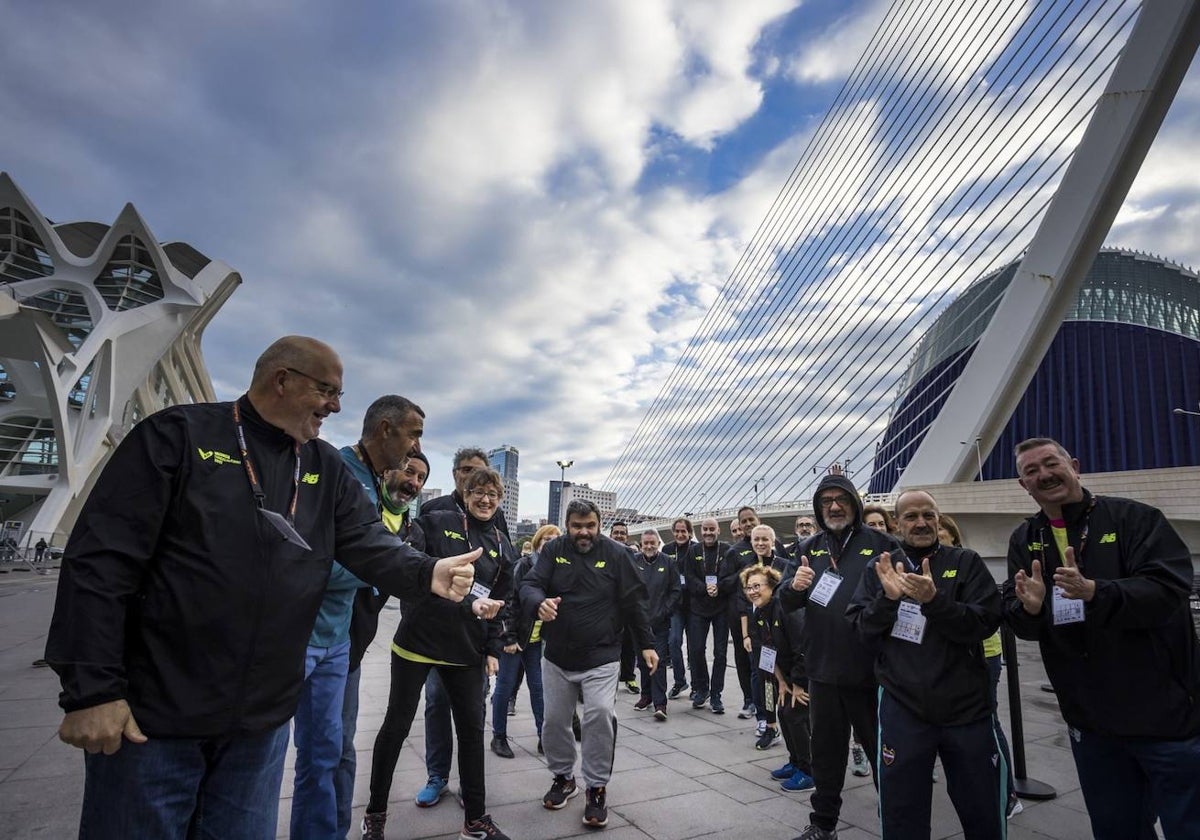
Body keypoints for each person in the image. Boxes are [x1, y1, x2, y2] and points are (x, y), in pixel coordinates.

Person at [44, 336, 478, 840]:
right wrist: (91, 691)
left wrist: (427, 572)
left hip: (259, 726)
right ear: (281, 379)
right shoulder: (177, 435)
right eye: (327, 390)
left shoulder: (324, 466)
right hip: (156, 720)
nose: (337, 406)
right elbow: (100, 564)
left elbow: (366, 541)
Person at [1003, 437, 1200, 840]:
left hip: (1167, 719)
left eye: (1050, 463)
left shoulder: (1135, 519)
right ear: (1023, 486)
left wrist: (1096, 592)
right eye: (1031, 471)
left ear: (1074, 465)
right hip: (1091, 726)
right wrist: (1030, 609)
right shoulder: (1025, 540)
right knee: (1116, 830)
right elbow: (1020, 621)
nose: (1044, 475)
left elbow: (1169, 588)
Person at [292, 394, 426, 840]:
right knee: (306, 756)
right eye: (413, 435)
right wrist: (394, 567)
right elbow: (318, 560)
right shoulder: (335, 470)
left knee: (335, 752)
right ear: (385, 429)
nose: (415, 449)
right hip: (297, 639)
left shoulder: (373, 480)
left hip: (340, 643)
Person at [363, 467, 513, 840]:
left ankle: (475, 821)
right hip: (417, 643)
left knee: (472, 734)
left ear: (501, 499)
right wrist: (467, 605)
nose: (486, 499)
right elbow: (410, 574)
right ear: (464, 491)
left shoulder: (502, 543)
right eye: (478, 491)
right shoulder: (435, 520)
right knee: (395, 728)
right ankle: (375, 817)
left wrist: (493, 646)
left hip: (465, 650)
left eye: (493, 494)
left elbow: (500, 601)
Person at [848, 490, 1004, 840]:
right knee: (902, 812)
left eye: (928, 515)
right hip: (904, 708)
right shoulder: (881, 569)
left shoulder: (966, 562)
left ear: (938, 518)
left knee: (982, 810)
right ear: (897, 523)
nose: (921, 523)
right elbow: (860, 630)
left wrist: (934, 600)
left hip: (966, 710)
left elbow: (984, 622)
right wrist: (888, 600)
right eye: (911, 516)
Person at [781, 472, 904, 840]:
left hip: (872, 672)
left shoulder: (883, 544)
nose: (834, 506)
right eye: (826, 501)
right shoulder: (808, 548)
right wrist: (793, 586)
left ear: (854, 502)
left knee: (884, 754)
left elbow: (903, 601)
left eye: (841, 499)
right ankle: (823, 824)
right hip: (823, 670)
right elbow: (786, 602)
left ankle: (898, 822)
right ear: (819, 508)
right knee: (827, 753)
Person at [521, 499, 656, 830]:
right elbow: (530, 584)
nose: (584, 532)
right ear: (567, 525)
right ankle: (563, 777)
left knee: (597, 715)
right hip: (558, 655)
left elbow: (635, 602)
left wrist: (648, 645)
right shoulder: (553, 550)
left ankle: (596, 787)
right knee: (553, 721)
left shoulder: (617, 554)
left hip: (602, 655)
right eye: (577, 526)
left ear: (600, 525)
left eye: (590, 526)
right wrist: (539, 603)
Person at [336, 453, 429, 838]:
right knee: (322, 748)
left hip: (353, 643)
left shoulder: (411, 527)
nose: (414, 483)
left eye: (422, 478)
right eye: (409, 472)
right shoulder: (361, 503)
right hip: (320, 633)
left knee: (338, 747)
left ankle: (338, 825)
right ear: (387, 469)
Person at [410, 446, 496, 809]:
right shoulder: (433, 511)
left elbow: (500, 572)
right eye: (463, 470)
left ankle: (469, 782)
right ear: (454, 474)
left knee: (473, 710)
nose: (468, 476)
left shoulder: (493, 516)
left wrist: (494, 638)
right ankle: (437, 775)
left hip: (473, 633)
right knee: (435, 702)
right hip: (434, 630)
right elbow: (414, 564)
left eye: (476, 471)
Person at [491, 524, 559, 758]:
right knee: (504, 687)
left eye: (555, 539)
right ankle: (498, 736)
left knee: (538, 688)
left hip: (536, 639)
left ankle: (543, 736)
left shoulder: (556, 568)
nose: (550, 542)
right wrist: (508, 636)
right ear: (539, 542)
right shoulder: (525, 565)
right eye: (546, 539)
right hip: (516, 637)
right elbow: (509, 600)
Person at [683, 518, 735, 713]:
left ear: (718, 530)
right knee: (696, 650)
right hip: (698, 608)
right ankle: (702, 688)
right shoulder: (694, 551)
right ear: (700, 531)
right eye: (705, 529)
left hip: (721, 608)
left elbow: (734, 576)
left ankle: (716, 695)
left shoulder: (727, 550)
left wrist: (719, 587)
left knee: (720, 653)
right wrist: (705, 588)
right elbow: (689, 576)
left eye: (711, 529)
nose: (708, 533)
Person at [633, 530, 680, 720]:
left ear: (658, 543)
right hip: (639, 622)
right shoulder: (634, 561)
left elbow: (676, 591)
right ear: (641, 543)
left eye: (652, 542)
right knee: (643, 662)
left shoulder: (668, 562)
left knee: (658, 662)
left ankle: (660, 703)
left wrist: (664, 611)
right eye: (646, 543)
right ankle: (646, 696)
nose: (649, 546)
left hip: (660, 622)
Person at [741, 563, 784, 751]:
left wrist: (791, 681)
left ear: (771, 586)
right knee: (766, 685)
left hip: (793, 666)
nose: (752, 591)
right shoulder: (759, 611)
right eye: (749, 588)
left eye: (757, 586)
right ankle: (771, 727)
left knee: (793, 712)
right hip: (770, 659)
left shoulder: (782, 608)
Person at [661, 518, 695, 699]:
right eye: (677, 531)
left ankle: (697, 685)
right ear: (673, 532)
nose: (680, 535)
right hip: (675, 606)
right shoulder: (667, 550)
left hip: (695, 606)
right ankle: (680, 681)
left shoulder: (696, 548)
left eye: (684, 531)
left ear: (690, 532)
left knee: (695, 647)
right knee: (673, 642)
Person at [609, 521, 641, 695]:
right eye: (616, 533)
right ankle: (610, 680)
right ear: (611, 535)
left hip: (627, 607)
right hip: (608, 608)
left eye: (622, 533)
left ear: (627, 537)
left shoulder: (633, 555)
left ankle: (629, 678)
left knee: (629, 645)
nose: (619, 535)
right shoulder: (605, 553)